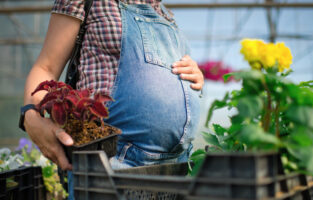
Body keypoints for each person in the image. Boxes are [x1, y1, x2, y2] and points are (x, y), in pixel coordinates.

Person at [22, 0, 203, 197]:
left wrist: (195, 75)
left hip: (176, 166)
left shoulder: (164, 12)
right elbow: (46, 67)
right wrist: (30, 115)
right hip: (112, 160)